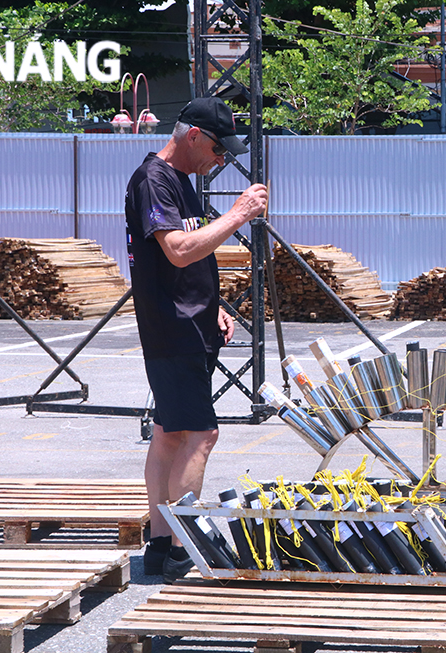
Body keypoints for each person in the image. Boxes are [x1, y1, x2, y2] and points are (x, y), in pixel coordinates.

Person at [125, 96, 268, 583]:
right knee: (202, 435)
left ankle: (161, 545)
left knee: (171, 434)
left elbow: (191, 256)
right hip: (172, 329)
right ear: (192, 136)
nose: (222, 159)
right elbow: (180, 250)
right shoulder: (154, 180)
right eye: (217, 148)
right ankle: (186, 544)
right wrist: (239, 214)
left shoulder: (181, 182)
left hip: (188, 324)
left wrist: (218, 308)